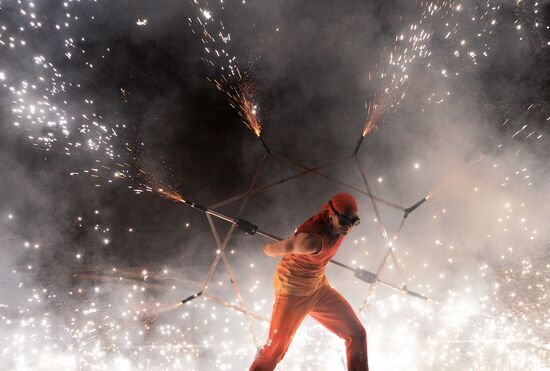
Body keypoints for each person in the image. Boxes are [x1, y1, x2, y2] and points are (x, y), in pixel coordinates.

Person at [250, 193, 368, 371]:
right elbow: (283, 248)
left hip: (318, 288)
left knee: (357, 334)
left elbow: (341, 226)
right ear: (331, 214)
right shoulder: (312, 241)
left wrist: (344, 222)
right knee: (275, 351)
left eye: (354, 221)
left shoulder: (340, 227)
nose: (349, 227)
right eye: (345, 220)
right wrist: (267, 248)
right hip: (292, 292)